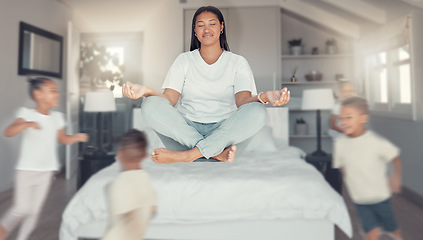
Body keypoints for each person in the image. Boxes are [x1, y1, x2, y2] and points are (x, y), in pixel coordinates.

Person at [123, 6, 290, 164]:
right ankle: (215, 154)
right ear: (195, 31)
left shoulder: (237, 62)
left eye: (212, 24)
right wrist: (146, 91)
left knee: (258, 110)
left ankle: (190, 155)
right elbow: (169, 100)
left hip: (225, 135)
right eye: (200, 25)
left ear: (221, 27)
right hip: (186, 134)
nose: (206, 29)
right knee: (150, 104)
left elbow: (243, 101)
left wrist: (265, 96)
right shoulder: (184, 60)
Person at [0, 77, 89, 240]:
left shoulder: (57, 117)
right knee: (21, 208)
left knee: (34, 213)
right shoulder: (26, 114)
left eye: (57, 91)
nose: (58, 95)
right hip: (26, 170)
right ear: (38, 94)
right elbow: (8, 131)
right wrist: (26, 124)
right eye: (53, 91)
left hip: (46, 171)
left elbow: (61, 139)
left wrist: (75, 137)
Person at [333, 97, 403, 240]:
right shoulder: (339, 143)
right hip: (359, 199)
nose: (344, 122)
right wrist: (348, 172)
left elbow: (394, 157)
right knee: (370, 232)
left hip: (380, 196)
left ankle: (395, 232)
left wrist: (396, 177)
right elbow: (340, 164)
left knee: (391, 227)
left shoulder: (375, 142)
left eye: (349, 117)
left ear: (363, 118)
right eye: (341, 118)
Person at [102, 129, 156, 240]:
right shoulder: (144, 178)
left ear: (120, 153)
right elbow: (152, 209)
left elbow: (121, 220)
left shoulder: (119, 183)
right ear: (144, 155)